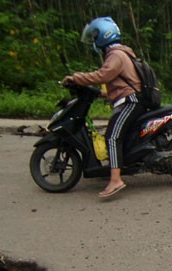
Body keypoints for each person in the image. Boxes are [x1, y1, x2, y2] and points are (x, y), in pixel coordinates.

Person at [63, 17, 147, 199]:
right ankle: (118, 167)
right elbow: (117, 83)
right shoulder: (119, 53)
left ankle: (116, 180)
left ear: (103, 35)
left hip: (130, 101)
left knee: (112, 136)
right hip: (128, 99)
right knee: (117, 135)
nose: (94, 40)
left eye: (95, 36)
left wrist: (76, 78)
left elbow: (103, 75)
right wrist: (100, 94)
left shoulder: (115, 55)